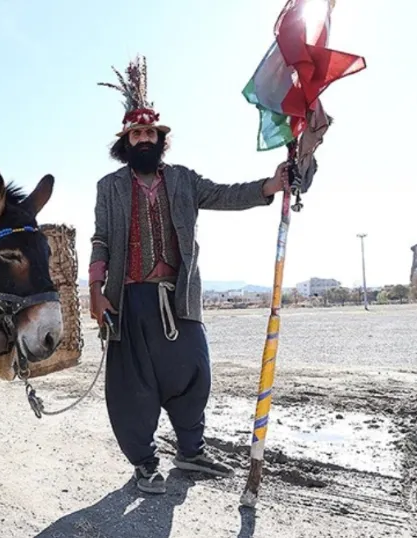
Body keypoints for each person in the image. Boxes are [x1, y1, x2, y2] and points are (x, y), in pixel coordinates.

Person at [89, 56, 287, 494]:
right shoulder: (110, 187)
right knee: (132, 388)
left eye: (150, 133)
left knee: (195, 373)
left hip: (180, 298)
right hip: (129, 300)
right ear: (126, 142)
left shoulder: (183, 181)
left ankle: (190, 451)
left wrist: (269, 187)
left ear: (160, 140)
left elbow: (224, 194)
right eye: (136, 134)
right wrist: (95, 290)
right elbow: (101, 240)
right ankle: (144, 463)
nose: (143, 139)